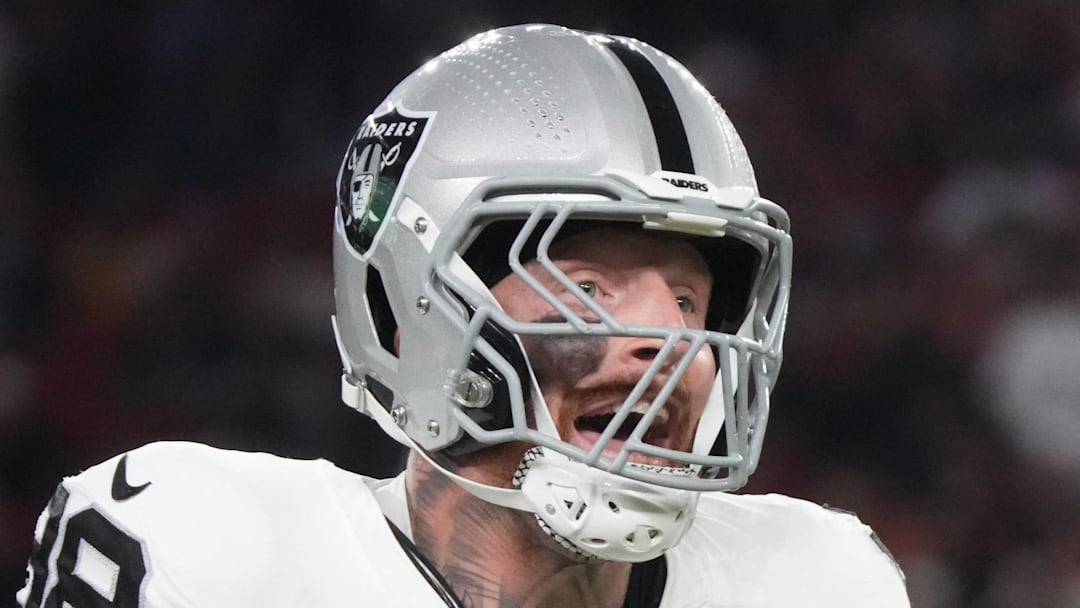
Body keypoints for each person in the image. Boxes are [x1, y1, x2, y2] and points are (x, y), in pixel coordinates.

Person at [17, 24, 910, 607]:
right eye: (588, 288)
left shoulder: (813, 582)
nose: (668, 343)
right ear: (409, 313)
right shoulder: (214, 553)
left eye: (688, 298)